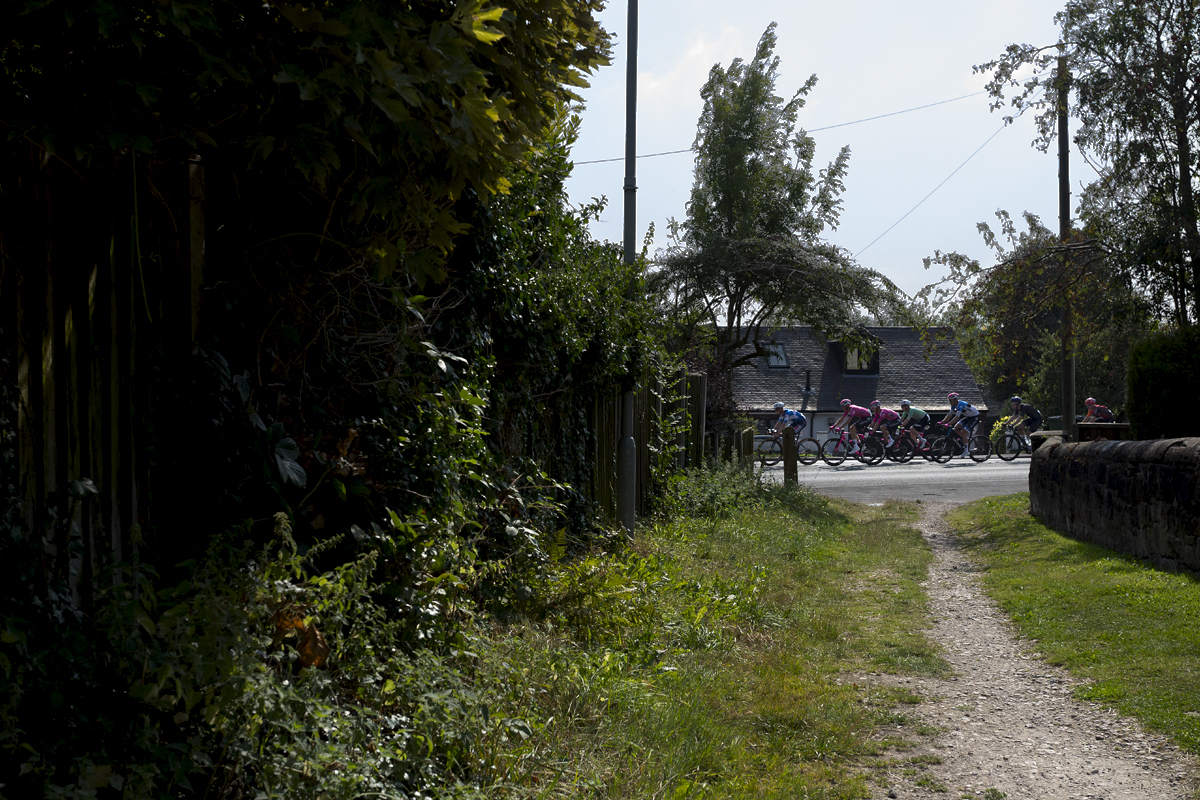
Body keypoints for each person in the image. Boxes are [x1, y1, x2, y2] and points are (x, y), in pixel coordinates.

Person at [941, 392, 981, 458]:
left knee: (964, 432)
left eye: (950, 401)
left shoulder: (960, 404)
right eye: (949, 401)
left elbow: (957, 417)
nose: (950, 402)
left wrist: (948, 423)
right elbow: (949, 415)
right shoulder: (954, 405)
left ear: (955, 400)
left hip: (975, 417)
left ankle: (966, 451)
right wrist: (942, 422)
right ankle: (966, 439)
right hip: (969, 417)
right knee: (956, 428)